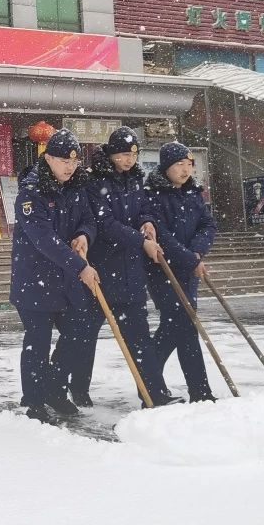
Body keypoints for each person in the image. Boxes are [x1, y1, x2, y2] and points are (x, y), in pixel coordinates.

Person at [54, 127, 176, 408]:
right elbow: (104, 224)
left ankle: (154, 395)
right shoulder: (94, 183)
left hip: (131, 274)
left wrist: (147, 223)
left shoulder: (135, 180)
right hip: (100, 272)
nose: (129, 160)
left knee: (140, 339)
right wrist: (140, 241)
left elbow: (143, 208)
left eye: (133, 154)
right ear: (110, 154)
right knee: (83, 336)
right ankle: (71, 388)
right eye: (123, 155)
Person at [9, 129, 97, 424]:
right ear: (47, 159)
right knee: (38, 341)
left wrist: (84, 235)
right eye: (63, 160)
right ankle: (33, 400)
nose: (70, 167)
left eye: (74, 161)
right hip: (35, 280)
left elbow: (88, 218)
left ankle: (54, 389)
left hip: (65, 280)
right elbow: (43, 240)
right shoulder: (31, 192)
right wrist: (81, 266)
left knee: (78, 333)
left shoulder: (76, 187)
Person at [144, 142, 218, 403]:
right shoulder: (153, 194)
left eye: (189, 165)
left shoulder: (193, 193)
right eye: (179, 165)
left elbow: (208, 225)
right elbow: (161, 234)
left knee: (180, 327)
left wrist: (197, 252)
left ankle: (152, 382)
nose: (186, 170)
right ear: (166, 167)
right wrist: (189, 258)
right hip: (162, 270)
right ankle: (196, 390)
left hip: (188, 269)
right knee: (182, 325)